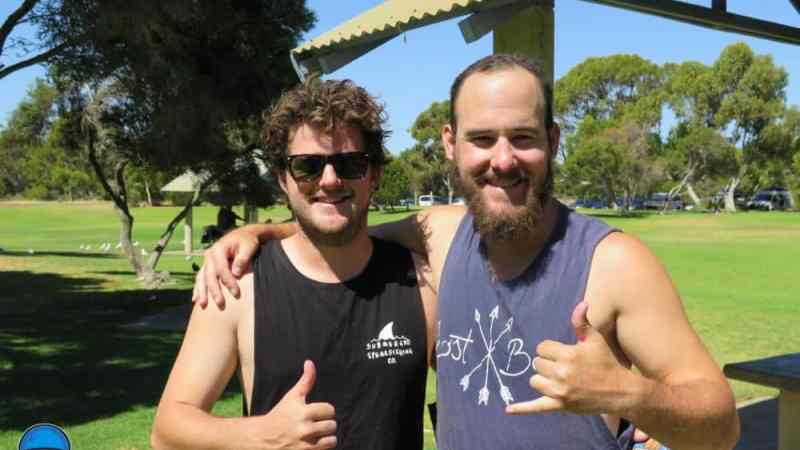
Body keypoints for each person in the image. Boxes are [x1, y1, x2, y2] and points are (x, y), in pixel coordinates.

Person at [194, 54, 740, 450]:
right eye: (482, 139)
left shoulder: (612, 263)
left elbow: (721, 425)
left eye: (523, 137)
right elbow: (339, 225)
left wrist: (627, 394)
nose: (503, 159)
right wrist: (259, 233)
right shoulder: (444, 235)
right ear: (451, 144)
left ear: (553, 140)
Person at [151, 76, 436, 450]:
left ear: (375, 174)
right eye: (307, 167)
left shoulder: (422, 282)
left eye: (350, 163)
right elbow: (167, 431)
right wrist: (259, 436)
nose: (330, 180)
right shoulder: (239, 285)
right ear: (283, 179)